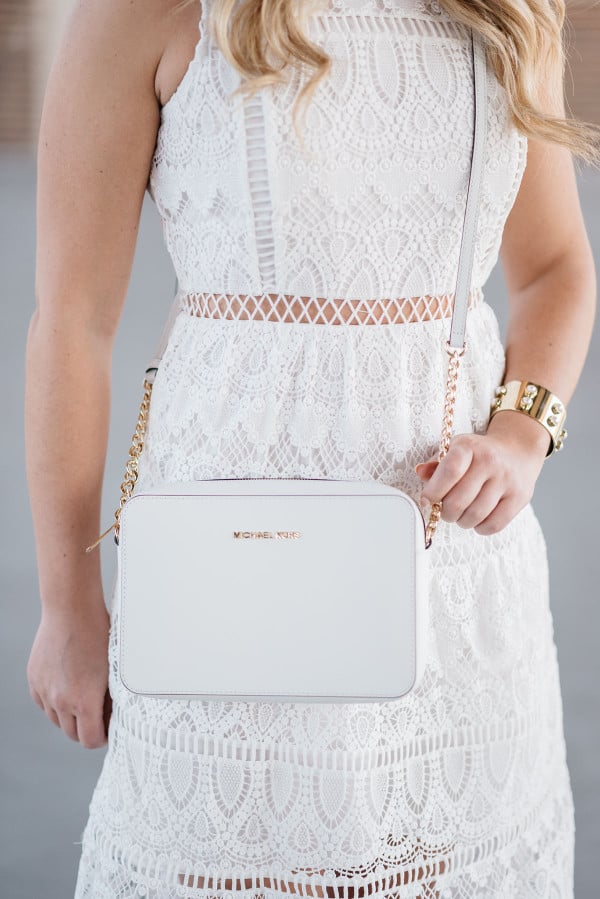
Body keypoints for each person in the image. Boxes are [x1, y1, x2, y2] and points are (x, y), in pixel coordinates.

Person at [24, 0, 598, 896]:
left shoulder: (510, 11)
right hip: (234, 571)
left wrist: (522, 437)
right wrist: (69, 608)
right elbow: (72, 323)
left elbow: (557, 265)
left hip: (457, 582)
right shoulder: (145, 11)